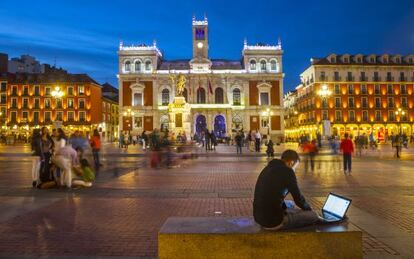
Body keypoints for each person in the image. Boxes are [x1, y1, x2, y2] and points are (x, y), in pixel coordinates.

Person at [253, 150, 319, 230]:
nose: (294, 169)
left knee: (290, 204)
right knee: (313, 216)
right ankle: (285, 218)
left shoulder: (268, 168)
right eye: (295, 166)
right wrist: (309, 209)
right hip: (273, 222)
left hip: (259, 217)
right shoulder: (288, 171)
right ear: (291, 162)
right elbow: (298, 198)